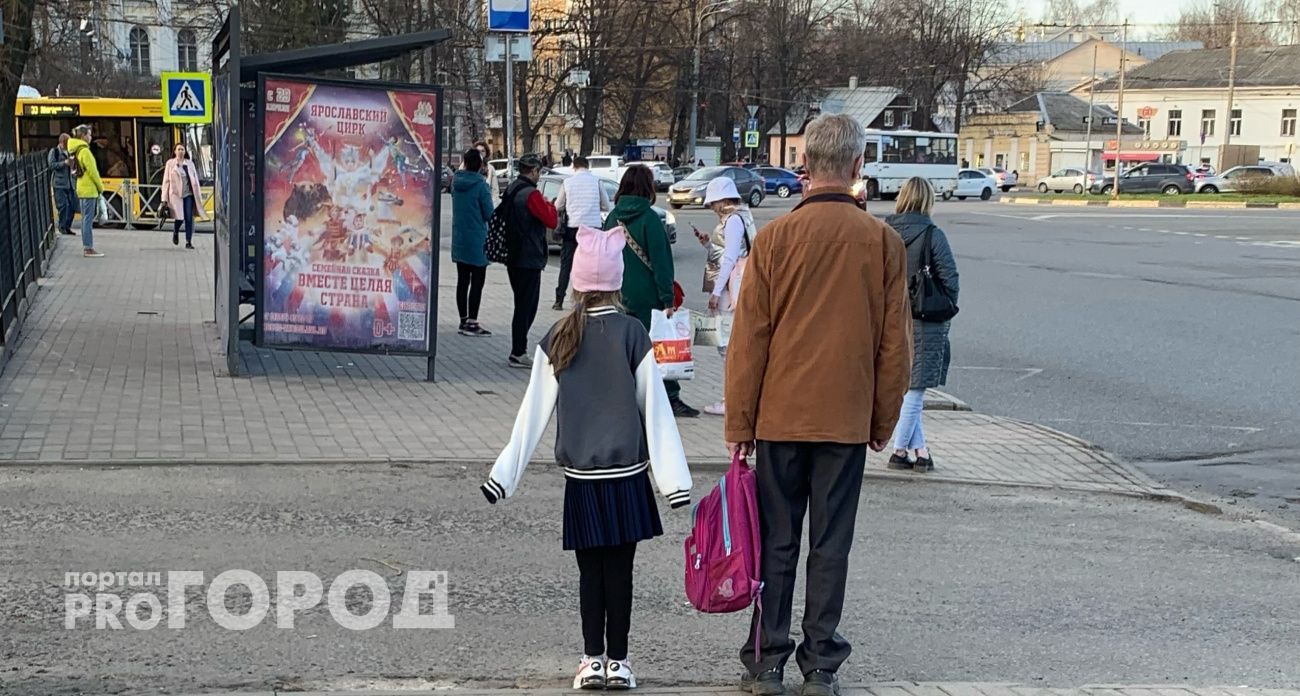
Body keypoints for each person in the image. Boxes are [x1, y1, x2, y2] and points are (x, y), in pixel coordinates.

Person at [724, 113, 912, 696]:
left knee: (777, 540)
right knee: (831, 544)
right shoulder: (883, 242)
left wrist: (740, 422)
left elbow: (749, 339)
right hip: (845, 420)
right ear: (858, 168)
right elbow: (893, 347)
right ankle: (821, 663)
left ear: (804, 167)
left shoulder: (775, 240)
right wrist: (882, 421)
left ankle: (768, 659)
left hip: (780, 416)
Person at [480, 225, 692, 691]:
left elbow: (531, 413)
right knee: (621, 573)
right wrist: (674, 482)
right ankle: (620, 661)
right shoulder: (632, 333)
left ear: (576, 283)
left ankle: (591, 660)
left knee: (589, 574)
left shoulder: (558, 335)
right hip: (628, 477)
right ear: (616, 282)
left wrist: (503, 477)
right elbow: (656, 410)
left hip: (582, 479)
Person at [606, 165, 699, 418]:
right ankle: (669, 397)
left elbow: (605, 257)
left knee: (626, 347)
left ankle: (625, 396)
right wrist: (667, 298)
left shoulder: (612, 218)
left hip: (618, 294)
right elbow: (661, 263)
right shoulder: (650, 219)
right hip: (649, 297)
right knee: (660, 346)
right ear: (647, 187)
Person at [884, 177, 959, 472]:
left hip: (893, 317)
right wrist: (944, 305)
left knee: (907, 388)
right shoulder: (932, 234)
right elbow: (950, 279)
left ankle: (921, 452)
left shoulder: (885, 232)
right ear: (927, 201)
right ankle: (899, 451)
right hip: (925, 319)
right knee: (915, 391)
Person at [692, 177, 756, 416]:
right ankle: (734, 398)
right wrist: (709, 245)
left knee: (727, 346)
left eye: (713, 203)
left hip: (731, 288)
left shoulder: (733, 221)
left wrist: (717, 291)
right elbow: (728, 253)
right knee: (730, 345)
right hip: (736, 285)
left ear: (721, 200)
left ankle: (732, 400)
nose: (711, 208)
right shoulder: (742, 217)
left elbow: (729, 258)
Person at [502, 153, 559, 369]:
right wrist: (550, 205)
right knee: (527, 306)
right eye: (539, 172)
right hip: (529, 255)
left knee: (521, 302)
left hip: (513, 253)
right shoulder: (532, 195)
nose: (539, 176)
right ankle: (519, 351)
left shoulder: (512, 188)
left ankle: (518, 348)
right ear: (533, 171)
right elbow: (551, 221)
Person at [554, 156, 611, 310]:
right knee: (592, 265)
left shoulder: (568, 182)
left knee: (566, 264)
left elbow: (558, 205)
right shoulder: (597, 182)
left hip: (572, 228)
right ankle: (590, 298)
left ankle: (559, 299)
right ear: (587, 166)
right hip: (593, 229)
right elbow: (606, 205)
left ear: (574, 167)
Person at [451, 148, 496, 337]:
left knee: (462, 281)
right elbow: (489, 213)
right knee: (477, 281)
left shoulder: (455, 182)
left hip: (460, 238)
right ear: (479, 166)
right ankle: (472, 322)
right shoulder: (481, 186)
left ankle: (463, 320)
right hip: (478, 239)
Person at [68, 124, 105, 258]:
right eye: (89, 134)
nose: (91, 137)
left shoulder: (75, 150)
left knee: (85, 219)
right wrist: (100, 187)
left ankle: (87, 247)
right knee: (88, 220)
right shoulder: (85, 151)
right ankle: (88, 248)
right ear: (83, 136)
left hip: (81, 188)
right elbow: (93, 172)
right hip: (89, 189)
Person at [162, 143, 206, 249]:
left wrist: (198, 195)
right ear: (175, 151)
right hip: (176, 195)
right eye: (179, 149)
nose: (181, 151)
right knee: (179, 218)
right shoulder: (170, 164)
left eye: (183, 149)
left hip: (188, 195)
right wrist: (164, 199)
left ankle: (188, 241)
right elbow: (166, 182)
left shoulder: (190, 164)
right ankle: (176, 231)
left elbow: (195, 180)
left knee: (188, 218)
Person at [48, 134, 76, 236]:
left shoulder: (69, 151)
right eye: (66, 143)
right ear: (62, 142)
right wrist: (64, 163)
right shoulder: (54, 151)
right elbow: (51, 165)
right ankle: (62, 227)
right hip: (59, 184)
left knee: (72, 206)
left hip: (70, 183)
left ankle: (67, 227)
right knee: (63, 206)